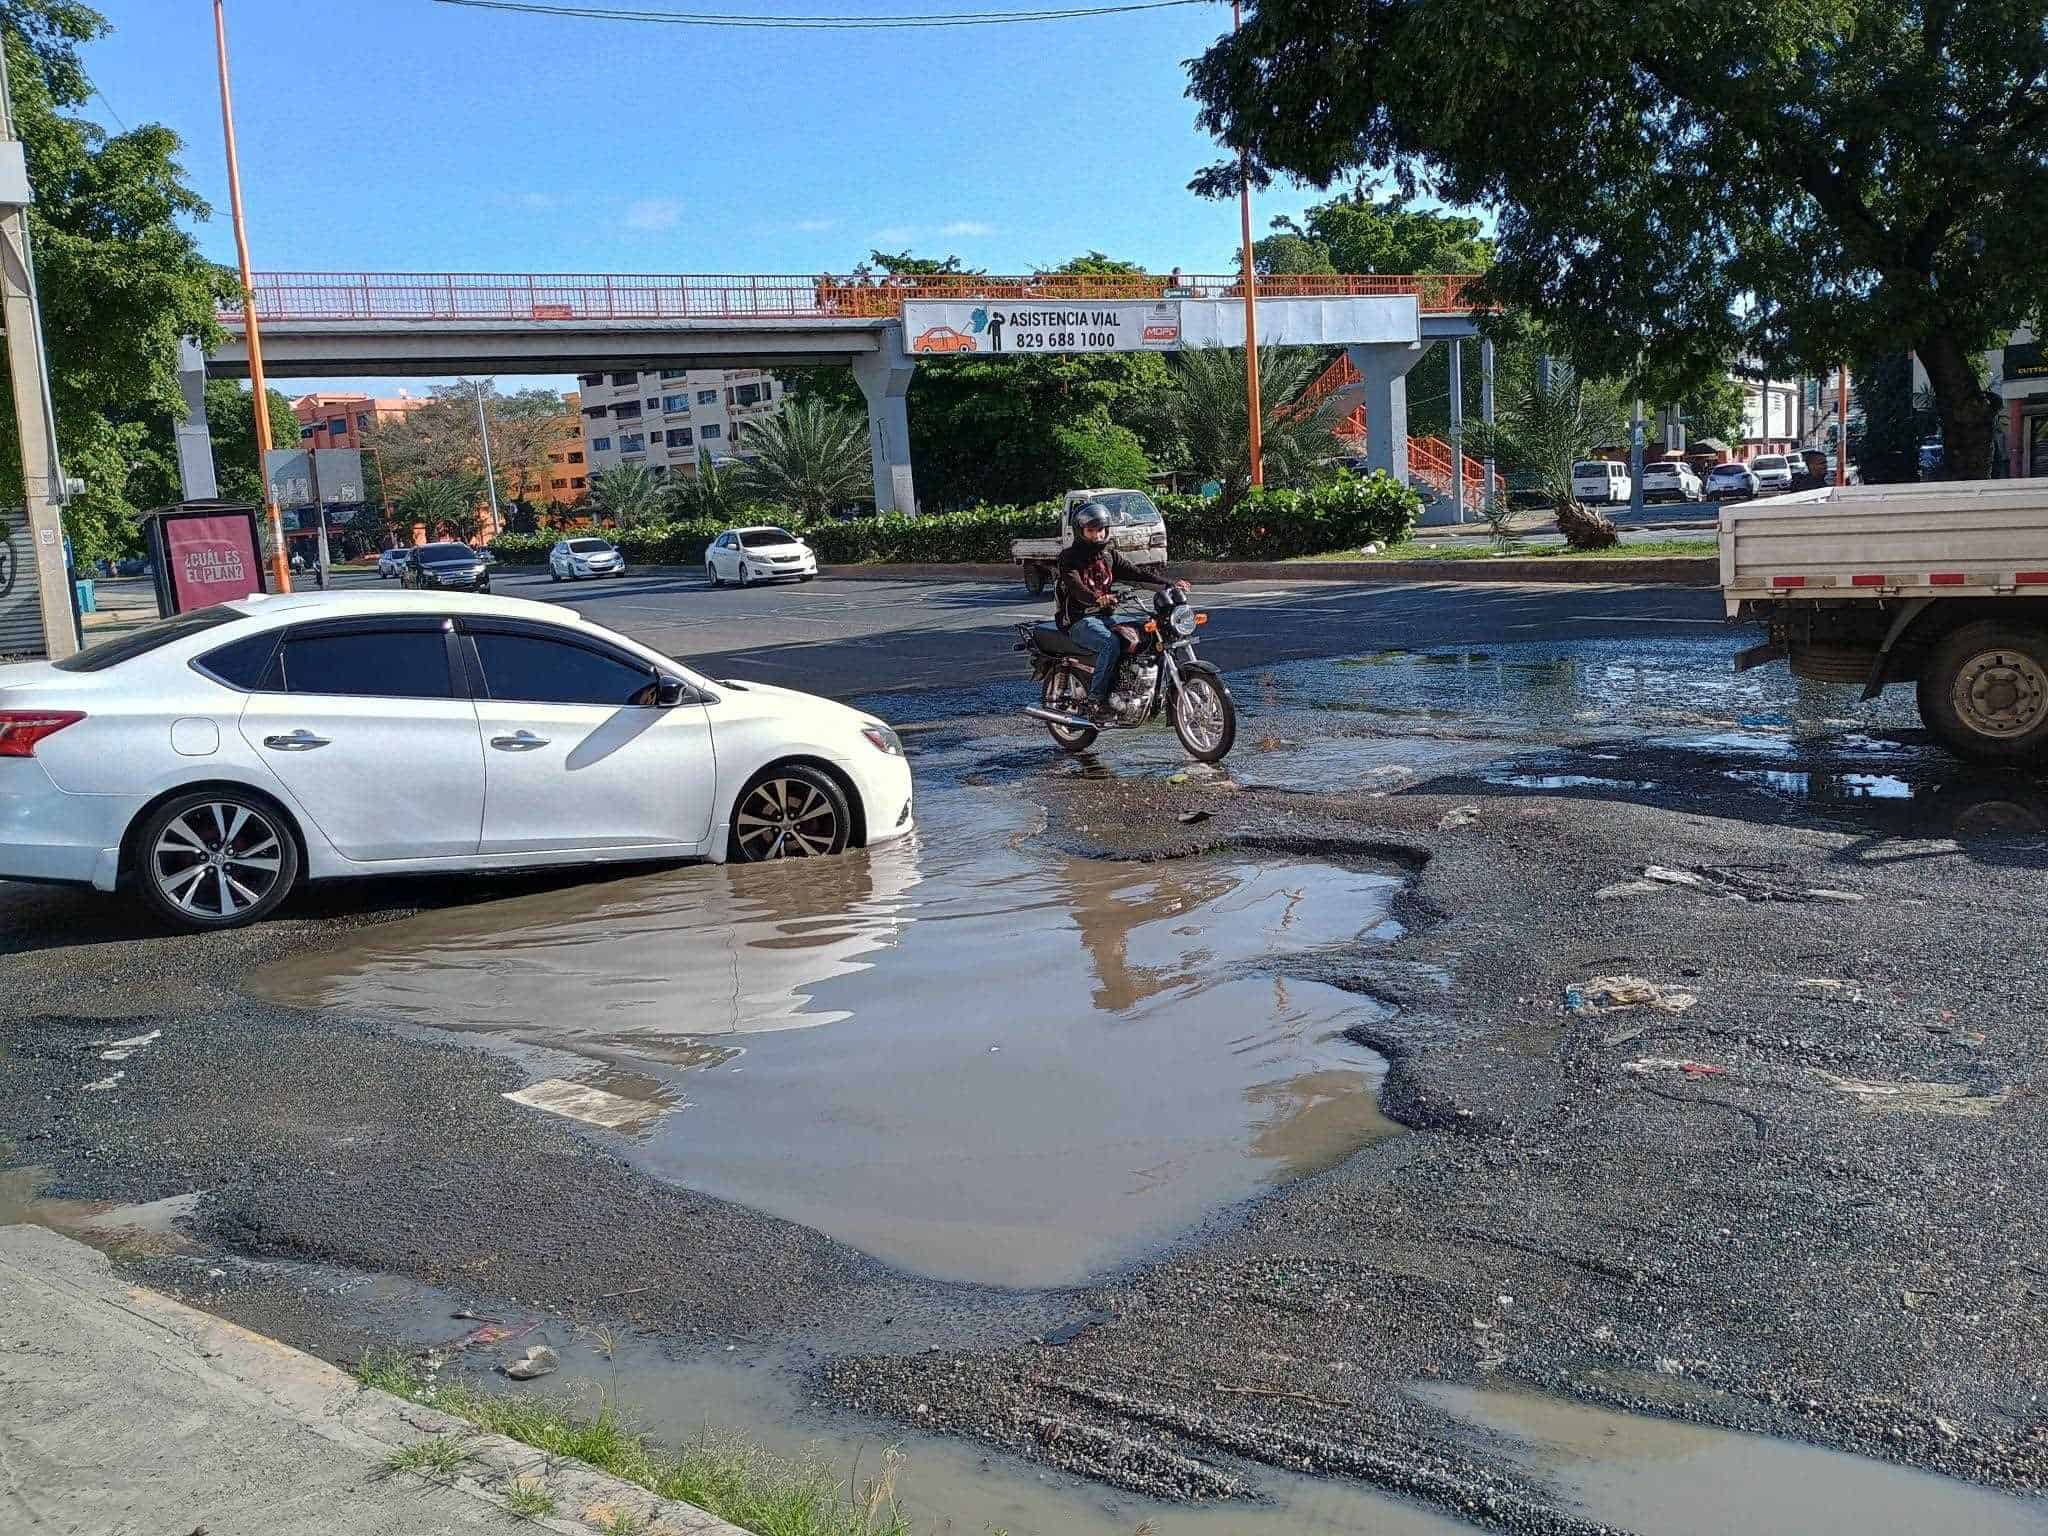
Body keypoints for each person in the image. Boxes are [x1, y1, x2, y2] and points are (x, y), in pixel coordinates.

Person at [1050, 502, 1187, 722]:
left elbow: (1136, 573)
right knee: (1110, 643)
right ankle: (1096, 700)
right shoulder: (1069, 557)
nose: (1097, 535)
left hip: (1105, 616)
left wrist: (1169, 584)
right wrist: (1098, 598)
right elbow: (1076, 586)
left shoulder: (1108, 555)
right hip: (1078, 620)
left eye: (1100, 530)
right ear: (1080, 531)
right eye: (1091, 530)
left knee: (1151, 632)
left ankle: (1136, 688)